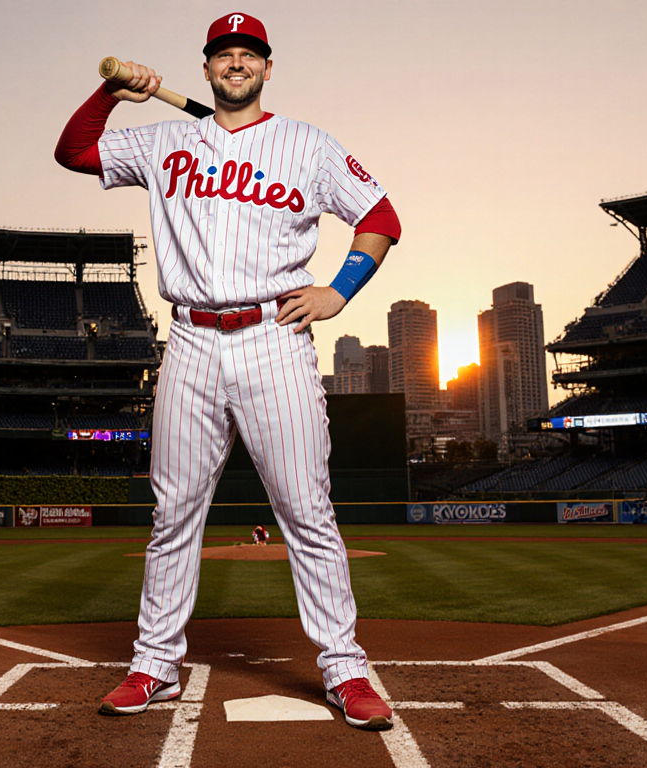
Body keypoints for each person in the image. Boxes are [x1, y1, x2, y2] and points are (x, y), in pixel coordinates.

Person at [56, 12, 401, 730]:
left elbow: (382, 216)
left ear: (268, 67)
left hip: (273, 337)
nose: (236, 63)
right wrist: (115, 93)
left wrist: (340, 289)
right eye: (223, 55)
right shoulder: (163, 138)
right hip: (188, 342)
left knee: (306, 511)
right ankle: (155, 663)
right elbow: (74, 152)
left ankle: (344, 669)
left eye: (249, 54)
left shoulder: (308, 144)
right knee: (174, 512)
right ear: (207, 67)